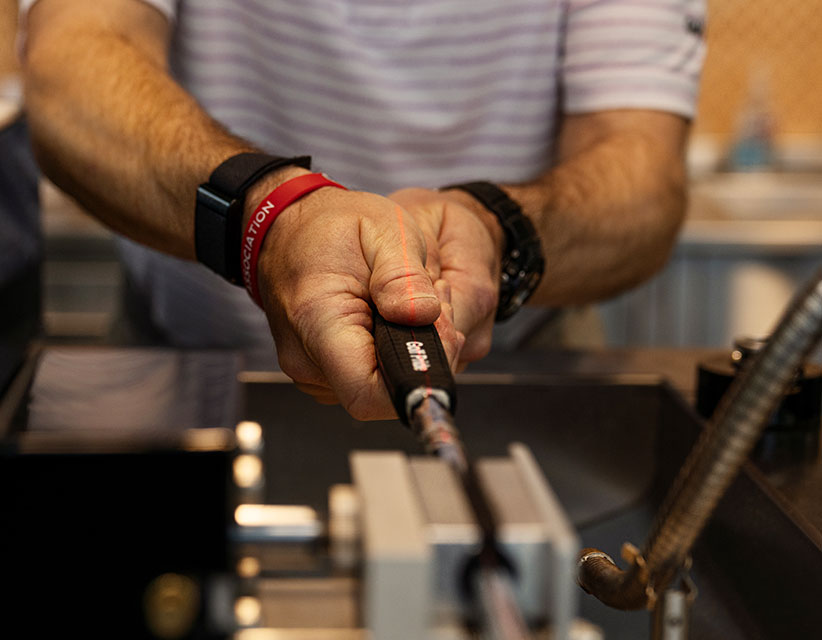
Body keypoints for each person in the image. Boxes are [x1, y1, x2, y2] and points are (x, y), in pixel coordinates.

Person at [18, 0, 705, 420]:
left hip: (519, 380)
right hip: (183, 368)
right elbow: (71, 74)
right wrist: (272, 219)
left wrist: (495, 229)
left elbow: (641, 181)